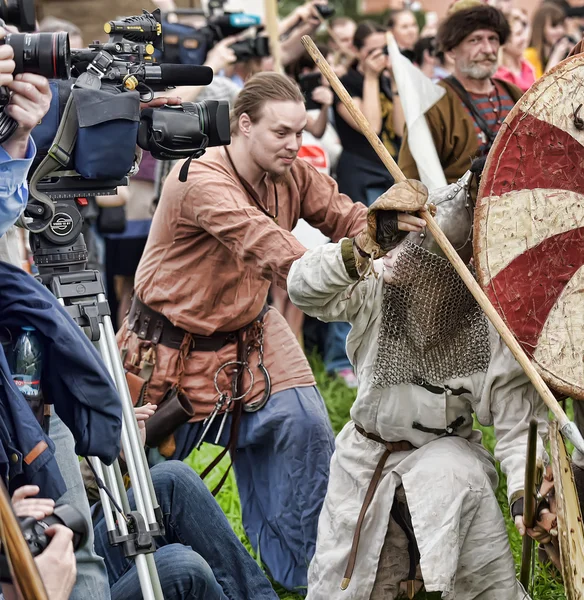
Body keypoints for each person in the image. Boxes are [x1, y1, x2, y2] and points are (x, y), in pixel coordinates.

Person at [116, 72, 368, 593]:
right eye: (281, 133)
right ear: (243, 125)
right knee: (128, 470)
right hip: (165, 347)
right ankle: (145, 572)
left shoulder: (292, 174)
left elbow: (346, 216)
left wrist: (388, 229)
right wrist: (352, 267)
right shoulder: (200, 180)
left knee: (305, 428)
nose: (294, 144)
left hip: (252, 336)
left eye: (300, 132)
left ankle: (311, 574)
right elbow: (275, 250)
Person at [287, 176, 553, 599]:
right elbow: (302, 287)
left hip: (448, 457)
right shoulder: (378, 285)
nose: (405, 267)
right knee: (342, 588)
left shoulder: (489, 325)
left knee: (454, 480)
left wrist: (525, 492)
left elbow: (520, 424)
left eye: (424, 266)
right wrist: (362, 247)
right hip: (366, 461)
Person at [399, 1, 523, 185]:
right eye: (475, 40)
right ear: (451, 50)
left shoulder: (514, 94)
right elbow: (411, 181)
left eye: (493, 39)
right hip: (460, 211)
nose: (488, 50)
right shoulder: (433, 104)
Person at [525, 2, 573, 78]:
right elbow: (542, 85)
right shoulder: (529, 55)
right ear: (541, 28)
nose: (560, 30)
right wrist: (556, 55)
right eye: (554, 26)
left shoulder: (564, 51)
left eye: (562, 25)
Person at [495, 7, 536, 92]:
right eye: (518, 34)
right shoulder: (499, 75)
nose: (524, 38)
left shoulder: (528, 67)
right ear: (504, 41)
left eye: (523, 32)